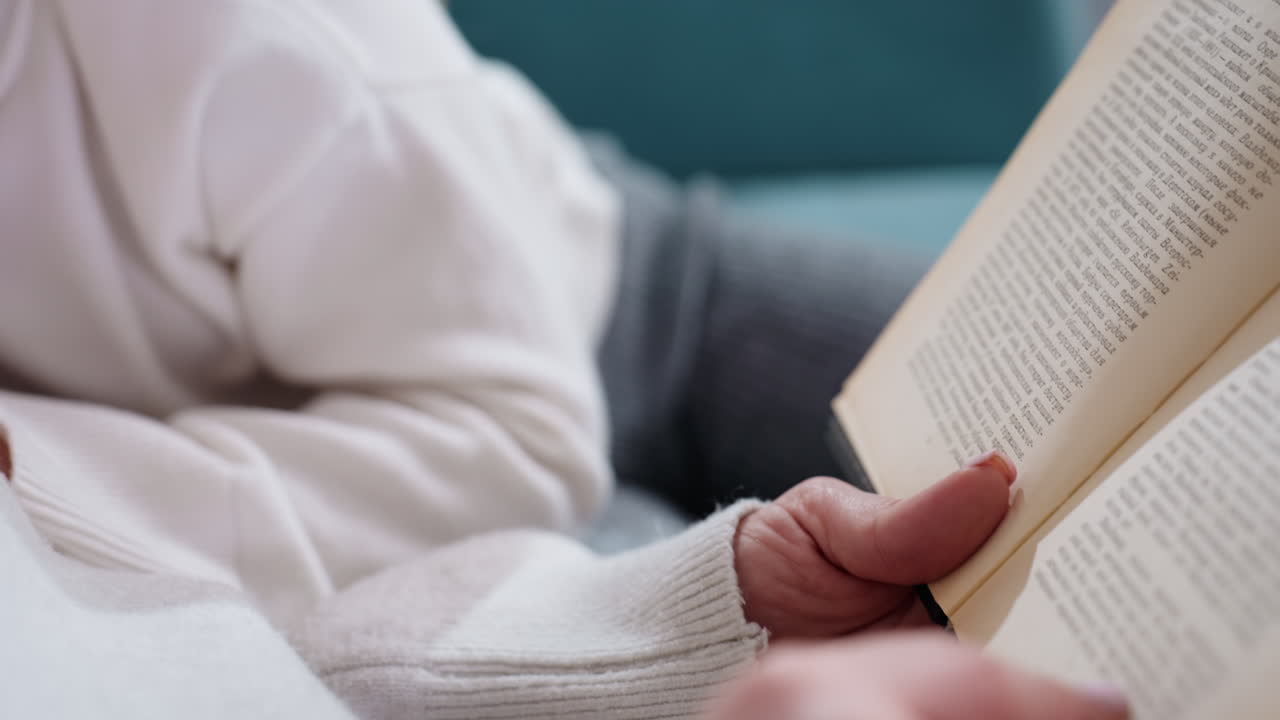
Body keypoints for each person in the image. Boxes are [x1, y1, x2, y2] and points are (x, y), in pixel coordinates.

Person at [0, 1, 1129, 718]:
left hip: (629, 307)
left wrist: (46, 468)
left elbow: (522, 436)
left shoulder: (246, 36)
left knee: (1099, 412)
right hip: (349, 460)